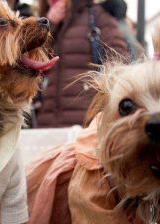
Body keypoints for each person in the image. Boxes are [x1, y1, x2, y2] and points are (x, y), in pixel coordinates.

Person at [35, 0, 129, 128]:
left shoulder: (96, 15)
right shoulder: (46, 20)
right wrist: (50, 25)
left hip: (86, 119)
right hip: (47, 122)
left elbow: (119, 62)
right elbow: (35, 66)